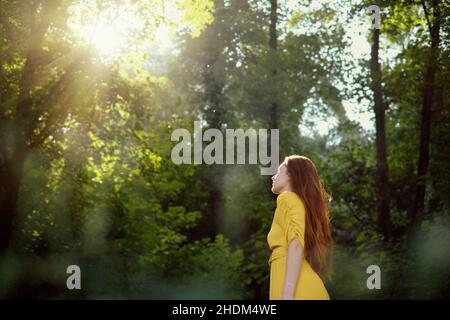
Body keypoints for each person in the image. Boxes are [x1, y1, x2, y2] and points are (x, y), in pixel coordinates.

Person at [267, 155, 332, 300]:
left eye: (278, 171)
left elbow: (296, 243)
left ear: (290, 175)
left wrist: (288, 293)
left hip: (297, 292)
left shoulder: (287, 198)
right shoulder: (298, 202)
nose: (273, 176)